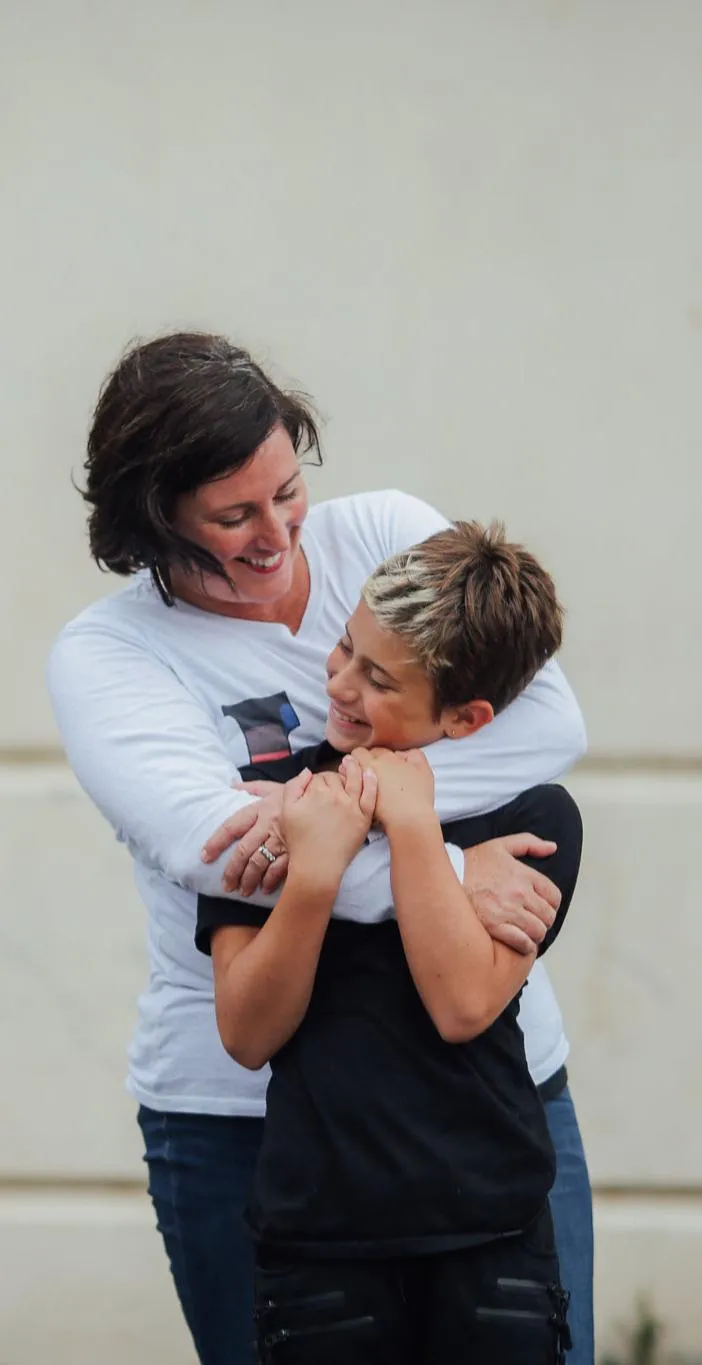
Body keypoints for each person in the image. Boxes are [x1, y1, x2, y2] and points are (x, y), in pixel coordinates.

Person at [46, 332, 592, 1365]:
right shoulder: (109, 657)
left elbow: (545, 727)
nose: (276, 534)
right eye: (232, 515)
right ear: (153, 518)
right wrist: (438, 863)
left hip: (488, 1102)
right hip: (243, 1122)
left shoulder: (384, 529)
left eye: (286, 491)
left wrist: (400, 828)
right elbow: (219, 851)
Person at [197, 522, 582, 1363]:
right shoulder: (273, 799)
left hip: (492, 1233)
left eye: (378, 679)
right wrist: (314, 875)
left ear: (465, 716)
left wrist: (411, 826)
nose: (337, 683)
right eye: (344, 649)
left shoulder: (535, 817)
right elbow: (247, 1031)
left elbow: (463, 1003)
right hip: (320, 1243)